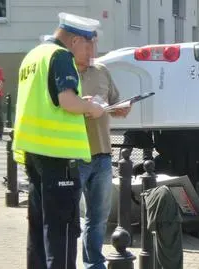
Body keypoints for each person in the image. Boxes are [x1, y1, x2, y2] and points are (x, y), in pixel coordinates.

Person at [12, 12, 104, 269]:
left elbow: (46, 101)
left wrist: (78, 103)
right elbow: (65, 101)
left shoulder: (33, 56)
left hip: (34, 153)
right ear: (75, 40)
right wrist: (91, 108)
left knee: (39, 227)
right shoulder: (61, 56)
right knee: (62, 229)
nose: (91, 53)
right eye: (89, 45)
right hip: (59, 157)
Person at [76, 40, 131, 268]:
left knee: (98, 217)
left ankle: (94, 264)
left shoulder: (101, 71)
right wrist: (82, 105)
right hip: (75, 155)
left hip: (103, 155)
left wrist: (122, 108)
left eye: (94, 47)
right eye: (87, 47)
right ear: (75, 45)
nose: (92, 52)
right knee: (69, 217)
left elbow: (115, 104)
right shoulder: (65, 72)